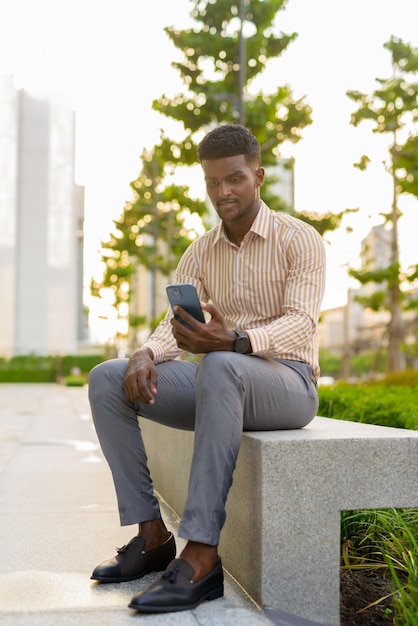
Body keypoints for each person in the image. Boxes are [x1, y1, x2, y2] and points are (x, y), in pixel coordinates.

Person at [88, 123, 326, 613]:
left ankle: (201, 555)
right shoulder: (199, 252)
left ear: (258, 176)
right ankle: (152, 537)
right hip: (221, 381)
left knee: (220, 362)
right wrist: (145, 353)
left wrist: (237, 340)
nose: (223, 192)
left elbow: (302, 323)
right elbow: (173, 325)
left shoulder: (300, 239)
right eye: (214, 182)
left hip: (289, 384)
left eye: (235, 179)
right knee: (108, 377)